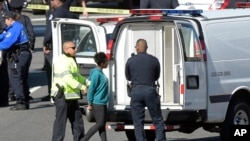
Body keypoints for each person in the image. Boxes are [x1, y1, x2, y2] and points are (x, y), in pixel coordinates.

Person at [125, 39, 167, 141]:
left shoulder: (130, 61)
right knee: (157, 119)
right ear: (146, 48)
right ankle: (160, 139)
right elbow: (157, 76)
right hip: (149, 90)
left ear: (137, 48)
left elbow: (128, 77)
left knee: (138, 122)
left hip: (136, 91)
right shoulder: (154, 60)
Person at [41, 0, 78, 101]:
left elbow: (50, 29)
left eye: (52, 0)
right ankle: (53, 93)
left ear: (57, 1)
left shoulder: (58, 13)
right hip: (62, 45)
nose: (50, 2)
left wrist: (45, 43)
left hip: (55, 46)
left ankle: (54, 94)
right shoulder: (64, 11)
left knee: (53, 72)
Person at [51, 41, 87, 141]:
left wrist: (88, 83)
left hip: (71, 96)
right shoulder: (62, 61)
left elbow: (77, 76)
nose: (76, 49)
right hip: (62, 96)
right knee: (60, 122)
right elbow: (68, 78)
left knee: (77, 121)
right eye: (73, 48)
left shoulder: (71, 59)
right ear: (66, 49)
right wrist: (82, 87)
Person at [0, 11, 32, 110]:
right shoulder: (14, 27)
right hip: (23, 54)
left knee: (16, 78)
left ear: (10, 19)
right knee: (22, 78)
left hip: (19, 55)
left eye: (5, 19)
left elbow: (6, 44)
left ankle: (20, 101)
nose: (4, 22)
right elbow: (3, 36)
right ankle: (25, 100)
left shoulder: (15, 28)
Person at [7, 0, 36, 102]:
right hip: (25, 51)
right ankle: (25, 94)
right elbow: (31, 34)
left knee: (13, 74)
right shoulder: (25, 19)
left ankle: (13, 95)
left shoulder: (9, 20)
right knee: (24, 74)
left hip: (14, 52)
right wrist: (31, 47)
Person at [82, 52, 109, 141]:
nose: (107, 63)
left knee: (102, 125)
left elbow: (88, 83)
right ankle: (84, 139)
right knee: (100, 124)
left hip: (102, 102)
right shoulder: (96, 74)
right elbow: (92, 89)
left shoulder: (98, 72)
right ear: (102, 63)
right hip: (98, 103)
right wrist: (89, 103)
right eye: (106, 61)